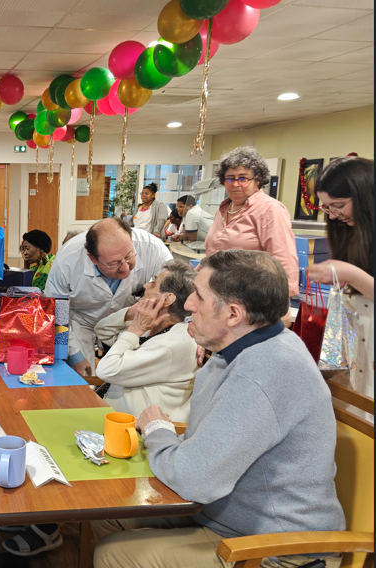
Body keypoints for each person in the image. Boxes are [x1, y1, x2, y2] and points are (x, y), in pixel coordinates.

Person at [92, 250, 344, 568]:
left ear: (233, 315)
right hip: (221, 515)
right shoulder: (235, 349)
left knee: (114, 555)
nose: (188, 305)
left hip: (278, 548)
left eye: (199, 296)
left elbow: (195, 479)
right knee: (108, 517)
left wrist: (158, 431)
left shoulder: (263, 371)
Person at [45, 218, 172, 376]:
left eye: (129, 256)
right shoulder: (67, 260)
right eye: (113, 264)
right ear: (92, 258)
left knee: (125, 378)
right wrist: (74, 354)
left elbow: (175, 289)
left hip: (129, 319)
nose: (125, 268)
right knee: (84, 378)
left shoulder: (152, 247)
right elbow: (58, 309)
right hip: (83, 321)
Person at [94, 260, 198, 422]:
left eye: (154, 283)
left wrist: (135, 330)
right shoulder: (154, 326)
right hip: (110, 411)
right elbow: (102, 330)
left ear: (167, 298)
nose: (145, 286)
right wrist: (131, 314)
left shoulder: (172, 343)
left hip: (133, 428)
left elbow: (106, 370)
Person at [307, 155, 374, 400]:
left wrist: (347, 273)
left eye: (339, 205)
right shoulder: (352, 233)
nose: (333, 215)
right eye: (327, 207)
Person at [204, 146, 299, 296]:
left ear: (258, 180)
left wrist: (283, 303)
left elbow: (284, 261)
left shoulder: (270, 209)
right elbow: (212, 255)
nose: (235, 184)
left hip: (252, 298)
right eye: (230, 178)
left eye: (243, 178)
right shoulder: (223, 209)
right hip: (218, 294)